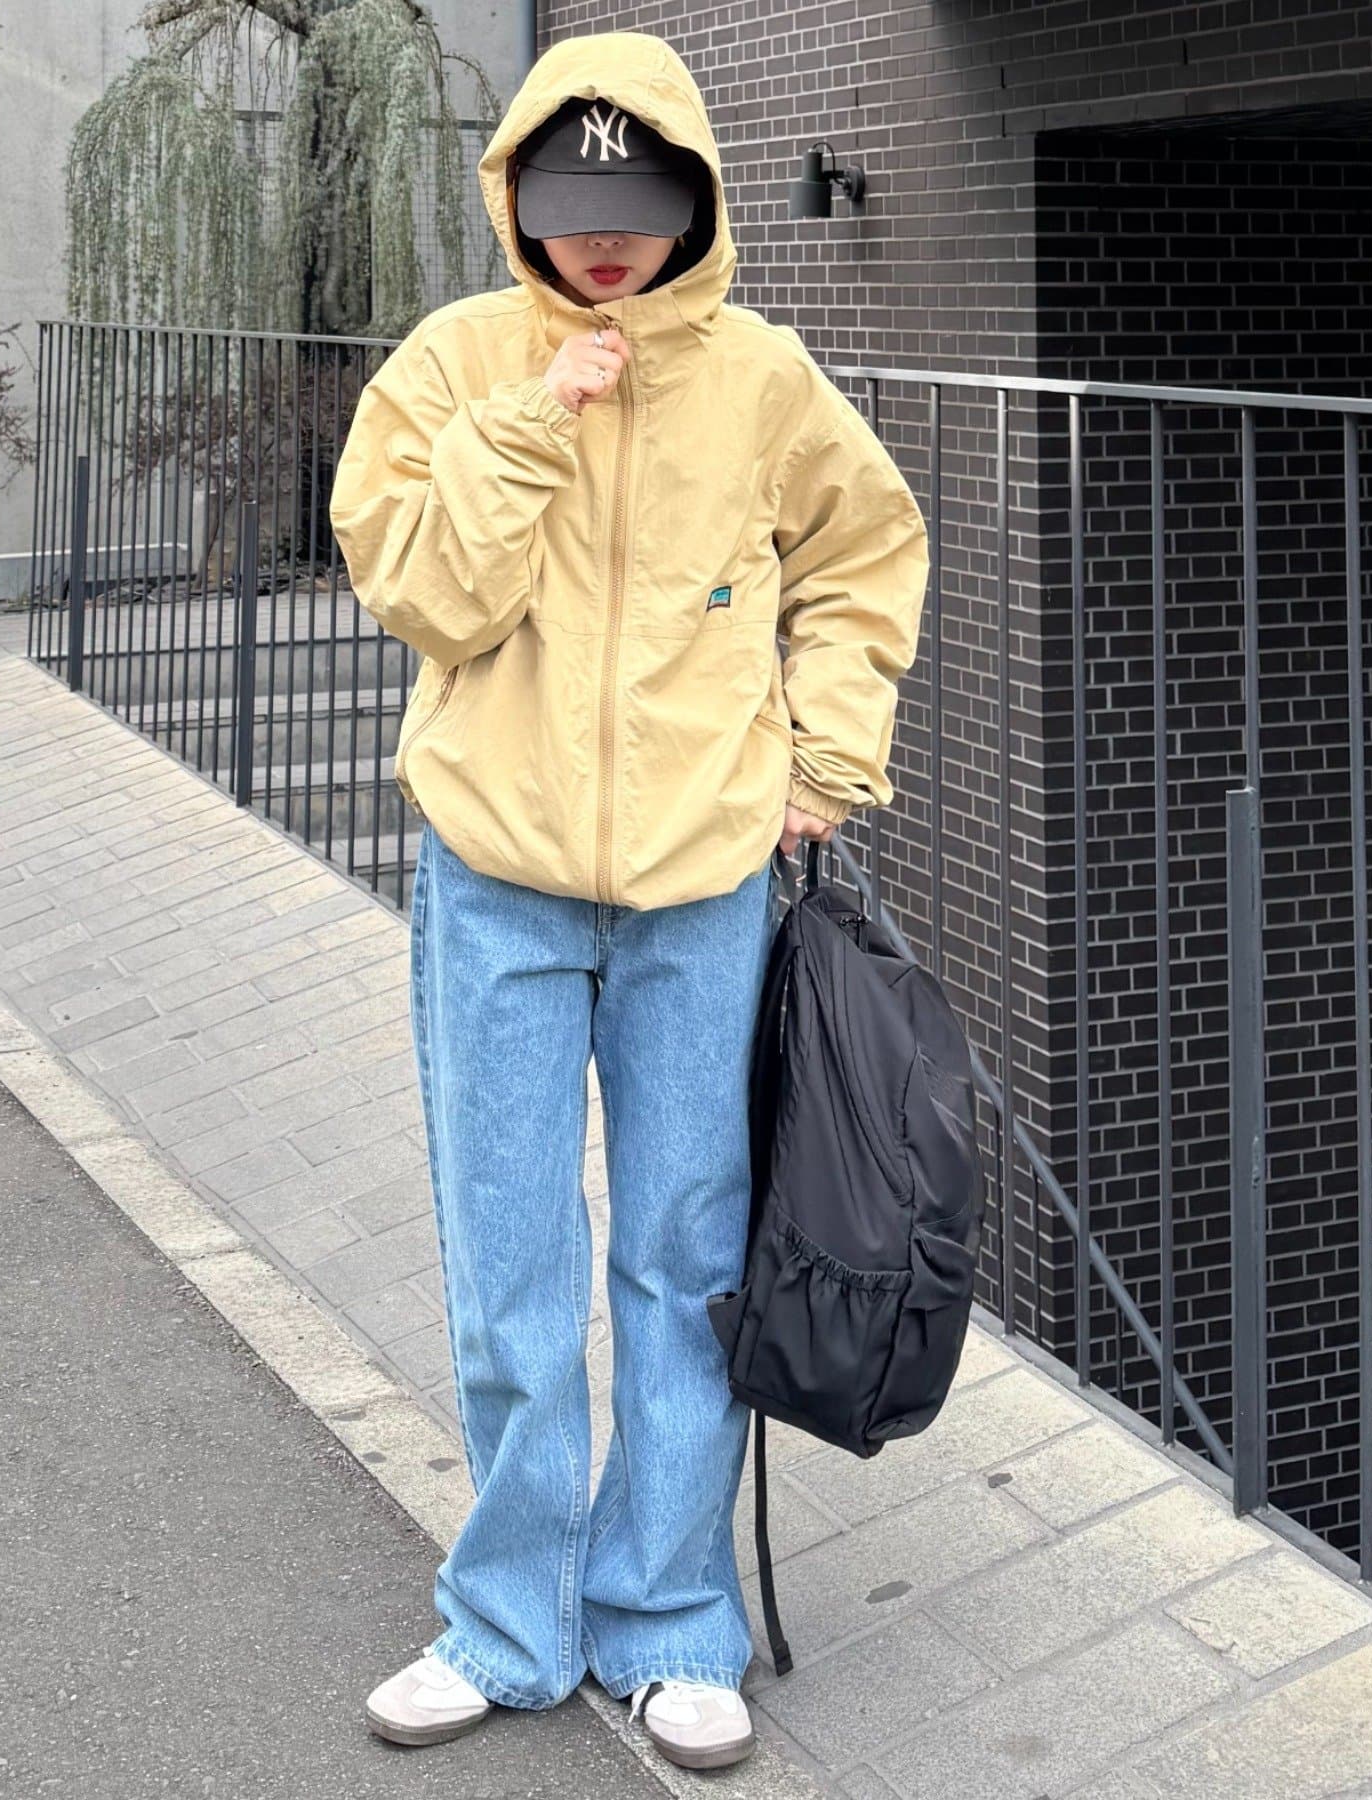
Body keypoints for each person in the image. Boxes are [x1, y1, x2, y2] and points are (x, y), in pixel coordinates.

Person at [328, 27, 929, 1774]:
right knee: (507, 1262)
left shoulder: (764, 380)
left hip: (702, 887)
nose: (606, 238)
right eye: (572, 201)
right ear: (515, 193)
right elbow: (428, 597)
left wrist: (825, 762)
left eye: (643, 200)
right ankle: (508, 1618)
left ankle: (667, 1617)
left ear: (698, 200)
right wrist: (536, 421)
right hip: (495, 880)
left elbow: (865, 555)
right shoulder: (452, 365)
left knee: (684, 1257)